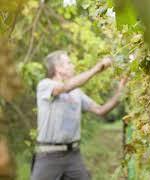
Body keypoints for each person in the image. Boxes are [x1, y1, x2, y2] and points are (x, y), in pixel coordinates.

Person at [31, 50, 127, 180]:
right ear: (58, 68)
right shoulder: (45, 85)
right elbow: (64, 88)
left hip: (73, 156)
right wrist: (97, 68)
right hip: (48, 156)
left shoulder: (77, 93)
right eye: (69, 63)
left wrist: (121, 92)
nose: (73, 66)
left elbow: (101, 110)